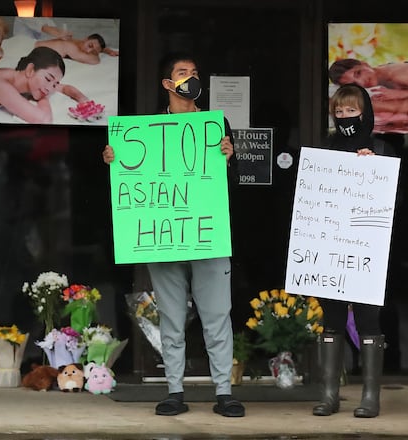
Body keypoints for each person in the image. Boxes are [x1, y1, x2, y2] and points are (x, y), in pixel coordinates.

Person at [101, 53, 244, 418]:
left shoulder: (216, 125)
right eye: (183, 73)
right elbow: (134, 179)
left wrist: (230, 159)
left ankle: (224, 392)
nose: (191, 78)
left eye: (195, 73)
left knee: (217, 315)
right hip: (165, 236)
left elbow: (230, 185)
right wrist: (115, 159)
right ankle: (175, 391)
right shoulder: (147, 130)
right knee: (171, 316)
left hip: (206, 234)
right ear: (167, 84)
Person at [312, 83, 390, 419]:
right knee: (331, 320)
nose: (345, 117)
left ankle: (370, 397)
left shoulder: (382, 149)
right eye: (339, 112)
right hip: (331, 248)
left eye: (351, 111)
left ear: (365, 113)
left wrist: (372, 168)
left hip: (366, 252)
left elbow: (393, 199)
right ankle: (330, 395)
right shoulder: (325, 149)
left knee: (367, 319)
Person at [0, 46, 88, 124]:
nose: (50, 88)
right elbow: (43, 120)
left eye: (54, 83)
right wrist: (43, 98)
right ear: (30, 70)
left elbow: (64, 87)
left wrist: (83, 100)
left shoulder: (24, 78)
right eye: (48, 79)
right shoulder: (1, 85)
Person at [35, 33, 119, 65]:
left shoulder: (79, 42)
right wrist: (97, 52)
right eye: (90, 46)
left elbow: (94, 47)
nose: (88, 51)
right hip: (33, 49)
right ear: (86, 38)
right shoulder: (73, 48)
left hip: (38, 45)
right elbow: (95, 61)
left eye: (93, 51)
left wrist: (109, 51)